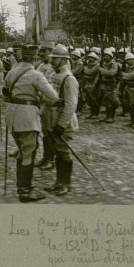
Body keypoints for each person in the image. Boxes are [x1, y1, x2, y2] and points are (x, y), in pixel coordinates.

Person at [3, 44, 59, 203]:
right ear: (35, 58)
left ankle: (22, 185)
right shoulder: (36, 75)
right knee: (29, 152)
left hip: (12, 114)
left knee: (22, 150)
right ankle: (24, 191)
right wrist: (39, 98)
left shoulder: (11, 72)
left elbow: (5, 93)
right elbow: (53, 97)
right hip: (27, 116)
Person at [42, 44, 79, 196]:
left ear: (64, 60)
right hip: (51, 120)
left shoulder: (69, 79)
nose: (51, 61)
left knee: (63, 153)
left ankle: (66, 184)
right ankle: (58, 182)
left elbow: (71, 104)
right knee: (57, 153)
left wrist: (62, 124)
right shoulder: (53, 75)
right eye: (51, 58)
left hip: (62, 122)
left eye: (55, 58)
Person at [99, 48, 121, 123]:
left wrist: (101, 70)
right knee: (107, 102)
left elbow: (111, 73)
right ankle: (107, 116)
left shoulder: (114, 64)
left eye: (107, 56)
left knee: (113, 102)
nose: (105, 57)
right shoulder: (103, 63)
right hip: (104, 85)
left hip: (111, 85)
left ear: (111, 57)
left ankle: (111, 117)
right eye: (104, 56)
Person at [82, 52, 101, 119]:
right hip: (87, 83)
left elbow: (90, 72)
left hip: (94, 83)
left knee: (94, 99)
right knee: (88, 99)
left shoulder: (97, 65)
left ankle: (95, 113)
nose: (90, 59)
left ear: (95, 58)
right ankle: (92, 113)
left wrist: (85, 68)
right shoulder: (88, 64)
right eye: (89, 57)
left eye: (91, 58)